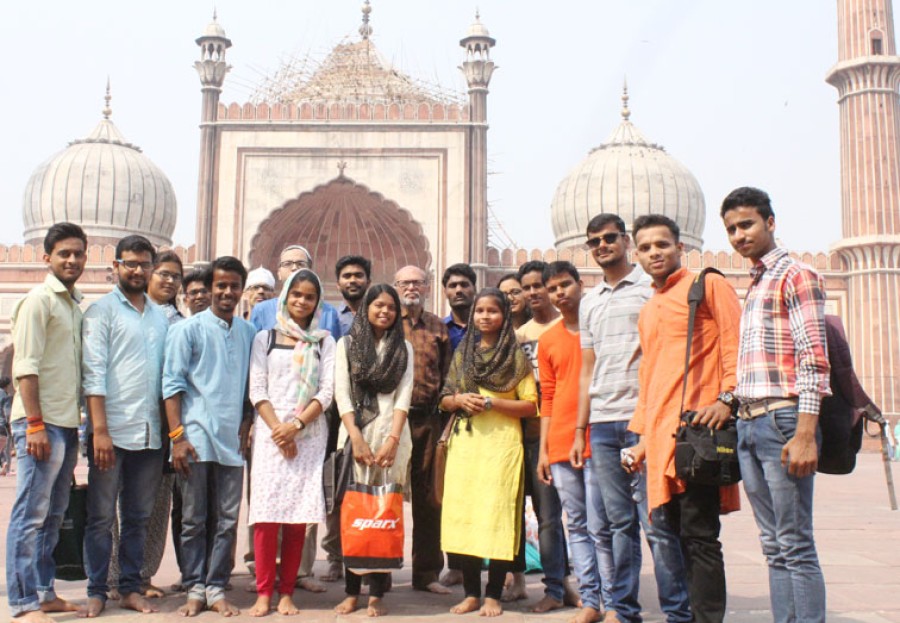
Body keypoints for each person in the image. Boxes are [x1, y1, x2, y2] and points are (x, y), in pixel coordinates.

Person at [570, 213, 691, 623]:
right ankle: (623, 611)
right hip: (604, 422)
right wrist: (580, 429)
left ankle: (677, 612)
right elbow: (588, 369)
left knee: (657, 521)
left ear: (626, 242)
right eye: (594, 241)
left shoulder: (651, 289)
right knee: (618, 523)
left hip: (646, 419)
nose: (602, 246)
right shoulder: (590, 301)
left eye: (609, 238)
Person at [721, 187, 831, 623]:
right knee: (773, 544)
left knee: (795, 543)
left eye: (746, 224)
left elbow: (813, 358)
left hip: (782, 420)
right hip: (750, 423)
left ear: (770, 222)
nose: (739, 235)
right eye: (731, 229)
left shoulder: (796, 275)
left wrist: (805, 433)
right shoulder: (757, 282)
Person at [627, 215, 742, 623]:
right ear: (637, 254)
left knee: (700, 537)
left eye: (662, 244)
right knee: (673, 536)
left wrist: (727, 399)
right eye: (645, 248)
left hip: (697, 432)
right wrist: (642, 439)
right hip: (661, 438)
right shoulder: (649, 309)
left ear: (680, 247)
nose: (654, 253)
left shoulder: (707, 285)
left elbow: (735, 345)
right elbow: (649, 377)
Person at [79, 235, 170, 617]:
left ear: (152, 268)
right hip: (111, 433)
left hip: (149, 434)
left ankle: (130, 587)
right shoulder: (100, 312)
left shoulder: (160, 317)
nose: (137, 270)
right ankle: (97, 589)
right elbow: (93, 374)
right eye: (129, 263)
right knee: (101, 518)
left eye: (143, 263)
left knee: (137, 517)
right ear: (115, 266)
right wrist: (99, 431)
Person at [162, 256, 257, 617]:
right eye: (221, 285)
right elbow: (171, 386)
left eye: (234, 285)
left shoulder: (248, 332)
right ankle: (194, 587)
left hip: (231, 441)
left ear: (241, 290)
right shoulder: (188, 330)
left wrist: (247, 422)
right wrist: (177, 437)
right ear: (211, 288)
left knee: (227, 520)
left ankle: (215, 586)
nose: (227, 292)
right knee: (193, 519)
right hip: (195, 438)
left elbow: (251, 387)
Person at [439, 287, 538, 618]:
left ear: (504, 316)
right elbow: (444, 398)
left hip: (501, 448)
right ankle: (471, 594)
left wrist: (492, 402)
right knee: (466, 518)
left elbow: (531, 405)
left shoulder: (515, 357)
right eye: (480, 310)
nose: (485, 316)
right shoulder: (463, 353)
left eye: (492, 311)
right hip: (466, 447)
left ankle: (493, 594)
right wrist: (458, 400)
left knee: (497, 517)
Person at [6, 222, 88, 623]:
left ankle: (43, 592)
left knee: (53, 514)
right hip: (41, 424)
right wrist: (35, 424)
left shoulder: (72, 306)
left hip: (65, 423)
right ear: (47, 258)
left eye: (78, 253)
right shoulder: (39, 301)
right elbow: (26, 367)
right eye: (63, 254)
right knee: (30, 514)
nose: (72, 260)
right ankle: (23, 604)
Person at [247, 244, 339, 591]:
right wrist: (278, 430)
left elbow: (326, 392)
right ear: (285, 296)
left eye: (309, 296)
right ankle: (264, 591)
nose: (302, 301)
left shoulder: (324, 341)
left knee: (299, 516)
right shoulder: (265, 337)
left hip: (308, 434)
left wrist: (296, 426)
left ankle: (286, 591)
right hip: (270, 436)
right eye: (296, 294)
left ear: (318, 302)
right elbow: (258, 389)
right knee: (266, 515)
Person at [104, 249, 185, 602]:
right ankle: (112, 576)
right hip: (121, 422)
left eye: (175, 276)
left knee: (153, 506)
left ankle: (141, 574)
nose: (168, 280)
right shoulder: (121, 313)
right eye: (163, 273)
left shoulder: (179, 323)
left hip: (162, 428)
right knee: (110, 505)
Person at [536, 261, 613, 623]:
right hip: (561, 440)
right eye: (552, 289)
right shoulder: (548, 339)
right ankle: (590, 600)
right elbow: (548, 396)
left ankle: (614, 601)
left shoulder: (600, 328)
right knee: (578, 525)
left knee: (602, 524)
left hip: (599, 435)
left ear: (581, 284)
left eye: (565, 285)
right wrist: (544, 450)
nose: (559, 293)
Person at [333, 284, 414, 618]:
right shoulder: (347, 345)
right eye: (378, 305)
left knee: (383, 514)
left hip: (391, 438)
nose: (385, 311)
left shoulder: (403, 348)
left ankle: (376, 595)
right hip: (356, 436)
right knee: (355, 513)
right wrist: (356, 437)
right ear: (366, 308)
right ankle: (352, 593)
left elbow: (404, 394)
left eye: (391, 307)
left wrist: (392, 440)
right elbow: (341, 392)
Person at [507, 260, 576, 612]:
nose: (533, 292)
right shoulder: (520, 336)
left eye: (539, 286)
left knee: (550, 516)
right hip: (518, 435)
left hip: (552, 434)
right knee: (513, 512)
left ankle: (558, 585)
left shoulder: (568, 328)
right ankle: (518, 580)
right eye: (527, 287)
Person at [394, 265, 452, 594]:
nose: (411, 288)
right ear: (396, 286)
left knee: (429, 499)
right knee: (386, 494)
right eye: (405, 283)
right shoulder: (388, 321)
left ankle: (427, 573)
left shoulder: (436, 326)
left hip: (428, 420)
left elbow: (447, 375)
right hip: (393, 422)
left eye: (417, 282)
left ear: (427, 287)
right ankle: (379, 572)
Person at [441, 263, 477, 352]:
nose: (458, 290)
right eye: (453, 286)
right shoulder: (438, 329)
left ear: (474, 289)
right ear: (445, 292)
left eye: (464, 285)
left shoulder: (487, 327)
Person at [335, 255, 372, 337]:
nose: (353, 280)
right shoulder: (331, 317)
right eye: (347, 276)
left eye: (358, 275)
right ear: (338, 284)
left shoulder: (378, 315)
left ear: (368, 282)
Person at [0, 376, 11, 476]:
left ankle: (4, 464)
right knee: (3, 447)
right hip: (1, 426)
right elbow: (7, 413)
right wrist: (9, 425)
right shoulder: (6, 396)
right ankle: (5, 465)